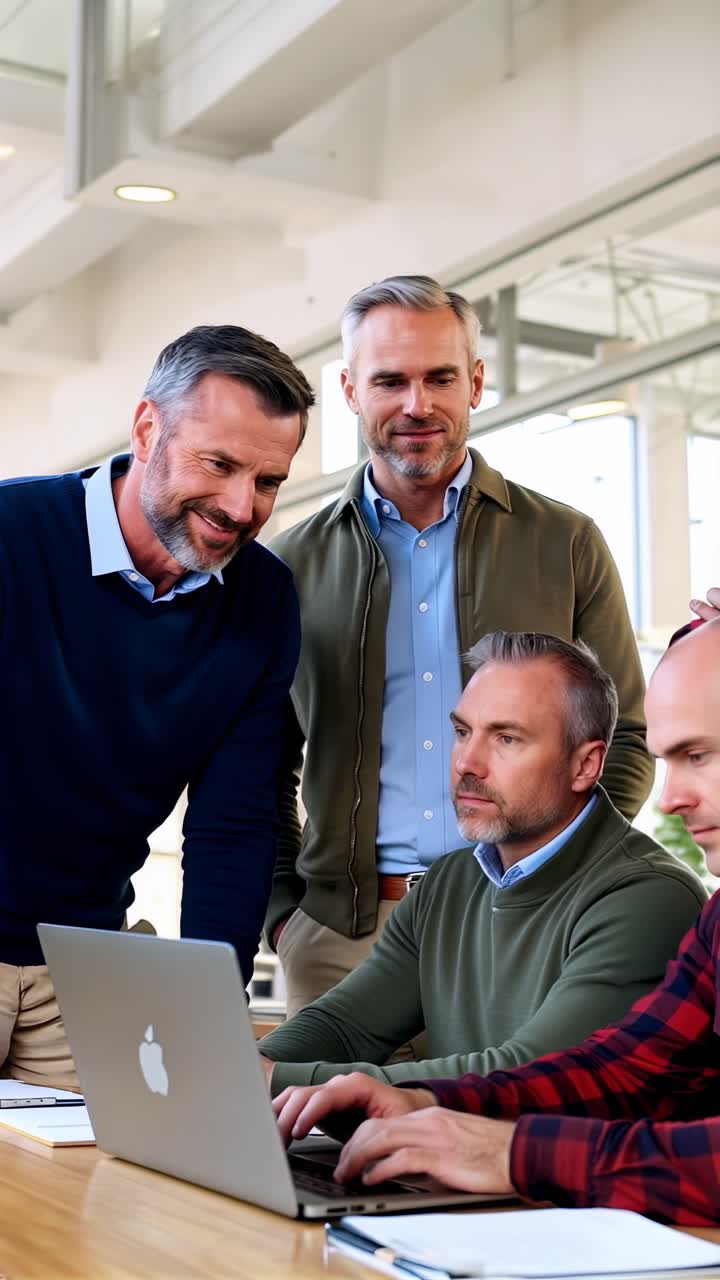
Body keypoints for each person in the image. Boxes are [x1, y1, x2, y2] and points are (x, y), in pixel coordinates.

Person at [267, 274, 654, 1020]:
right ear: (351, 391)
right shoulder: (292, 567)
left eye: (440, 377)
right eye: (390, 381)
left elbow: (625, 739)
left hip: (520, 928)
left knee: (498, 1133)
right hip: (343, 942)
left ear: (475, 382)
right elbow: (261, 769)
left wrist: (560, 884)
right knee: (323, 1136)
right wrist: (287, 918)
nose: (418, 404)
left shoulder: (565, 542)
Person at [273, 619, 720, 1227]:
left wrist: (510, 1153)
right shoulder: (452, 881)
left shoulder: (651, 895)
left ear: (587, 764)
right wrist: (420, 1101)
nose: (466, 763)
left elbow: (551, 1068)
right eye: (462, 732)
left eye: (506, 738)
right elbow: (617, 1068)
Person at [0, 323, 314, 1088]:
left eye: (268, 481)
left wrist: (207, 1007)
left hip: (82, 962)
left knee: (106, 1191)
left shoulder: (262, 602)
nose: (242, 506)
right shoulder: (11, 536)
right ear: (148, 429)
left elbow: (233, 825)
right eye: (221, 464)